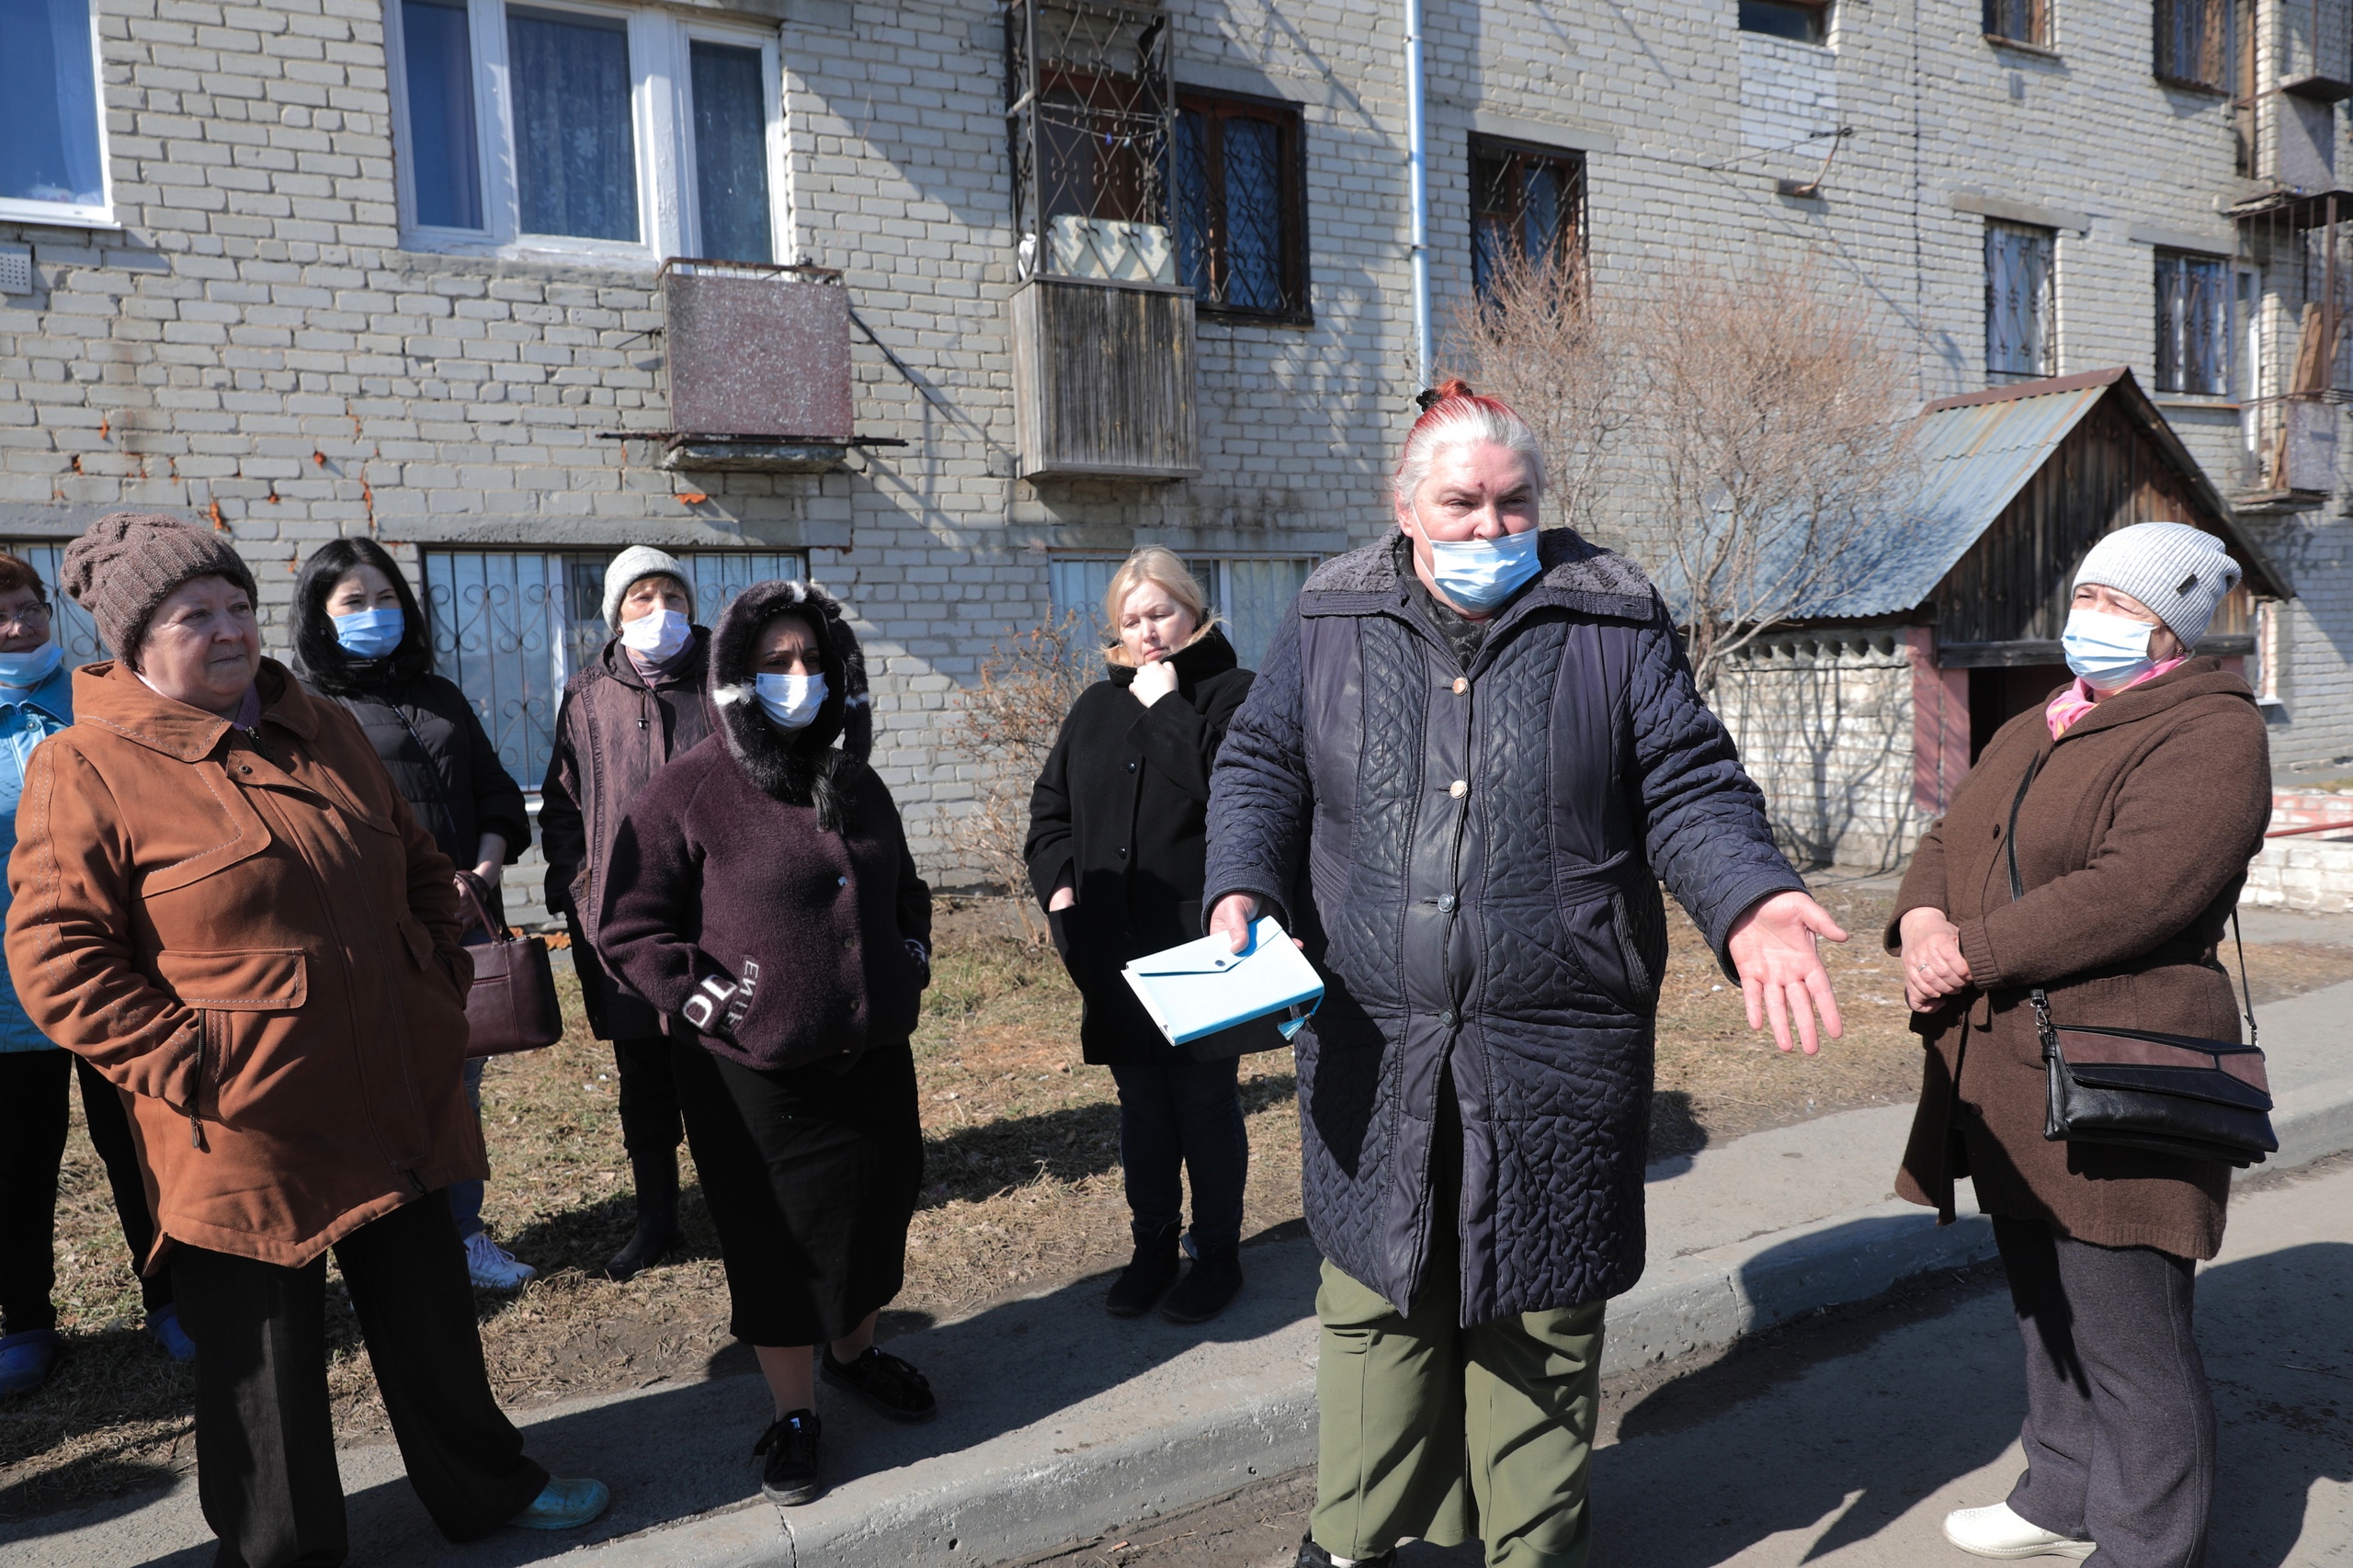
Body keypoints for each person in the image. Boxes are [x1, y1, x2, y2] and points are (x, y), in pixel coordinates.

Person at [1202, 382, 1848, 1568]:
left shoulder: (1610, 613)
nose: (1493, 529)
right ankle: (1349, 1541)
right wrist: (1240, 880)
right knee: (1376, 1308)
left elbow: (1687, 779)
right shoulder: (1329, 610)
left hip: (1556, 1040)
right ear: (1404, 506)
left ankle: (1530, 1552)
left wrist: (1751, 900)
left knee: (1537, 1315)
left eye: (1515, 503)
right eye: (1461, 503)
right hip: (1372, 1036)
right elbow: (1261, 759)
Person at [4, 512, 607, 1564]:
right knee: (262, 1369)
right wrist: (194, 1058)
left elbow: (419, 859)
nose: (230, 630)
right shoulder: (87, 766)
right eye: (196, 614)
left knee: (430, 1321)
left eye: (238, 604)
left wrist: (435, 976)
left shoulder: (315, 722)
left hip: (390, 1081)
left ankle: (485, 1486)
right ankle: (283, 1552)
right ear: (135, 642)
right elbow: (59, 957)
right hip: (244, 1123)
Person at [1896, 522, 2268, 1568]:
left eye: (2119, 605)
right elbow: (1945, 836)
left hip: (2119, 1062)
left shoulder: (2210, 732)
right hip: (2011, 1067)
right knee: (2043, 1306)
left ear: (2169, 633)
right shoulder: (2046, 721)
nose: (2088, 617)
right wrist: (1923, 924)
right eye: (2087, 593)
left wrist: (1969, 951)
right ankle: (2059, 1489)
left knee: (2127, 1332)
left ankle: (2152, 1542)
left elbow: (2137, 889)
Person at [598, 577, 934, 1508]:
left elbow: (903, 886)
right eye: (775, 663)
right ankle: (795, 1412)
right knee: (777, 1245)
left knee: (873, 1215)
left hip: (869, 1051)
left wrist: (906, 954)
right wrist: (716, 1003)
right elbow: (626, 925)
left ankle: (857, 1354)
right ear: (736, 677)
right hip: (753, 1072)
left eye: (812, 662)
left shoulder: (853, 779)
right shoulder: (689, 789)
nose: (797, 677)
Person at [291, 538, 538, 1291]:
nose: (375, 613)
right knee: (389, 1089)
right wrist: (421, 889)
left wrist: (483, 873)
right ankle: (397, 1240)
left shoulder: (438, 694)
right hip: (380, 932)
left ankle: (462, 1234)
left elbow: (495, 790)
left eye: (386, 597)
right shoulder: (310, 710)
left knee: (458, 1086)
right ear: (321, 618)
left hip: (463, 919)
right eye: (354, 603)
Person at [1025, 550, 1256, 1323]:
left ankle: (1217, 1256)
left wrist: (1166, 709)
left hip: (1199, 948)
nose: (1147, 632)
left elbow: (1235, 794)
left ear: (1194, 610)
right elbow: (1050, 809)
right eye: (1130, 620)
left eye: (1159, 612)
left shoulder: (1233, 694)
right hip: (1112, 945)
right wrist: (1059, 888)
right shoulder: (1095, 705)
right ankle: (1152, 1246)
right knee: (1142, 1112)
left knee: (1203, 1107)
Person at [0, 551, 194, 1398]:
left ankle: (174, 1296)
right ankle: (26, 1323)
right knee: (17, 1161)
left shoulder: (95, 699)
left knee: (138, 1141)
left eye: (28, 605)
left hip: (111, 972)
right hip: (3, 992)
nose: (19, 625)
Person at [540, 546, 713, 1280]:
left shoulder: (723, 684)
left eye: (672, 595)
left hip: (717, 920)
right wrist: (583, 893)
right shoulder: (585, 696)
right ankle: (657, 1221)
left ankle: (737, 1205)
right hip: (621, 927)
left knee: (717, 1067)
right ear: (616, 616)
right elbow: (563, 807)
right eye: (641, 598)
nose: (659, 611)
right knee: (643, 1077)